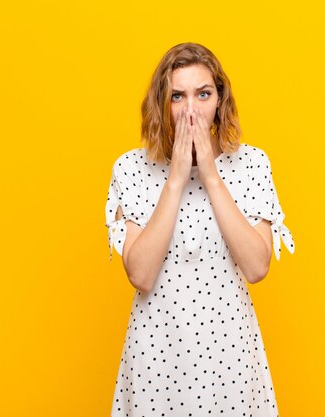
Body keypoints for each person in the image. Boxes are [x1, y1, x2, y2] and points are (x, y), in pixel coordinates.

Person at [104, 42, 295, 416]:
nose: (191, 109)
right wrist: (176, 178)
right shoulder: (130, 169)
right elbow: (140, 274)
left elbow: (257, 267)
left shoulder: (253, 164)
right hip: (156, 355)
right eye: (177, 96)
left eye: (203, 94)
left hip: (230, 355)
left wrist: (209, 173)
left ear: (219, 100)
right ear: (162, 104)